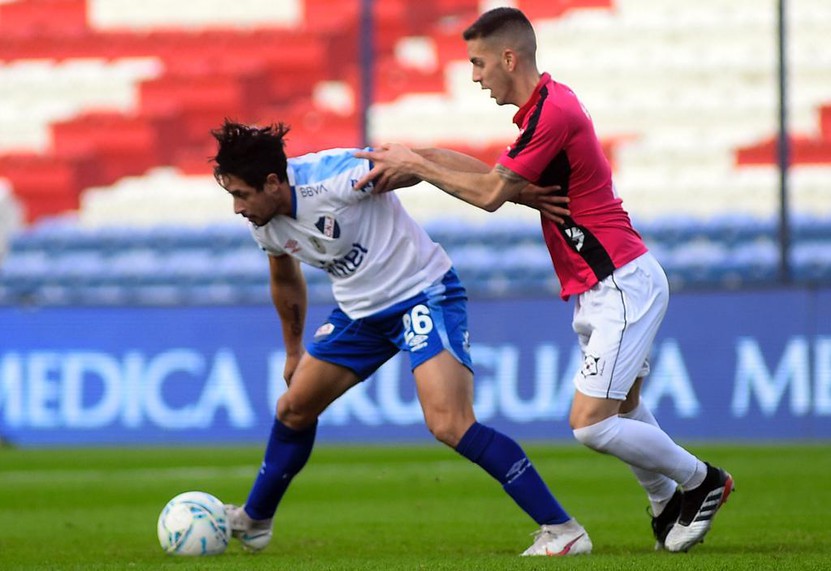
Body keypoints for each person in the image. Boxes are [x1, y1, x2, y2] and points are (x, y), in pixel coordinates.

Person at [354, 6, 733, 553]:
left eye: (479, 62)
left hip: (621, 280)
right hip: (600, 285)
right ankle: (664, 501)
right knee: (624, 406)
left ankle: (703, 482)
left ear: (510, 57)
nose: (475, 75)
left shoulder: (552, 113)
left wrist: (421, 166)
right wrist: (418, 157)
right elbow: (491, 178)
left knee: (590, 424)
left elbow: (487, 196)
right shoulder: (542, 111)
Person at [209, 119, 592, 557]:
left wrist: (510, 188)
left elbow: (425, 160)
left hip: (422, 295)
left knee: (449, 423)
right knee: (293, 408)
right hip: (360, 314)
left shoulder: (338, 177)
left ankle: (562, 528)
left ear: (273, 182)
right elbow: (284, 278)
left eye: (241, 195)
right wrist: (294, 350)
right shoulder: (266, 222)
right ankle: (256, 521)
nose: (238, 208)